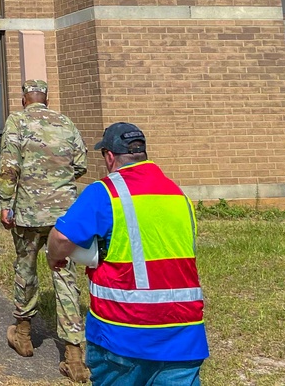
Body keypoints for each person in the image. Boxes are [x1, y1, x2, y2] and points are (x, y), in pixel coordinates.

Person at [47, 123, 208, 386]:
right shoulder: (179, 195)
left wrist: (54, 257)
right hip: (183, 335)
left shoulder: (106, 191)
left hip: (123, 333)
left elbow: (62, 237)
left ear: (109, 156)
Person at [0, 79, 90, 383]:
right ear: (46, 99)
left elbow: (10, 165)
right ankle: (74, 356)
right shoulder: (65, 122)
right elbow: (81, 164)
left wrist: (6, 202)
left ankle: (23, 334)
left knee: (26, 269)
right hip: (63, 215)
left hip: (27, 212)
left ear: (25, 99)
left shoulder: (17, 121)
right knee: (65, 275)